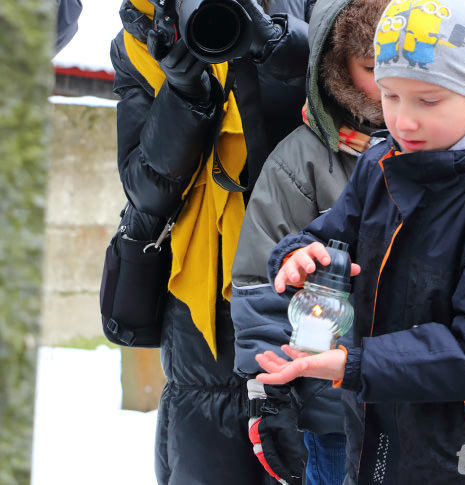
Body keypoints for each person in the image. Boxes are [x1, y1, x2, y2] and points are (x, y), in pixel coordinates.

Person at [252, 0, 465, 483]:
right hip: (386, 429)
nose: (403, 121)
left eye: (427, 101)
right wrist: (297, 255)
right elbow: (331, 235)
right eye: (390, 96)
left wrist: (354, 364)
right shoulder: (383, 162)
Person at [109, 0, 312, 483]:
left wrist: (276, 46)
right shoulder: (141, 39)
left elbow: (358, 98)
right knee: (205, 457)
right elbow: (146, 190)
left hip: (306, 281)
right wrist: (183, 93)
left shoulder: (302, 10)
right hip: (199, 302)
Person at [229, 0, 387, 483]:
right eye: (370, 67)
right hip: (333, 407)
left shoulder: (444, 152)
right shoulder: (301, 162)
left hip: (424, 400)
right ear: (335, 68)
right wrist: (270, 397)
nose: (389, 83)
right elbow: (259, 282)